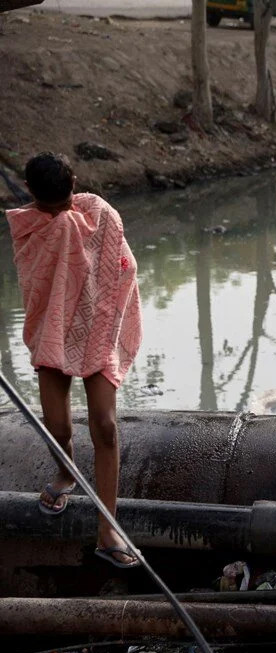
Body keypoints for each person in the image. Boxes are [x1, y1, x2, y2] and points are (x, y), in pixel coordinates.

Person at [5, 152, 143, 568]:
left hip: (97, 326)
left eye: (66, 199)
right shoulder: (28, 226)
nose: (64, 211)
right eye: (54, 204)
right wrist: (61, 223)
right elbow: (35, 282)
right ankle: (65, 472)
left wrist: (103, 298)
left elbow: (123, 264)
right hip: (53, 329)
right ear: (31, 194)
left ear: (75, 183)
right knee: (58, 426)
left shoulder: (97, 210)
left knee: (105, 424)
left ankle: (108, 529)